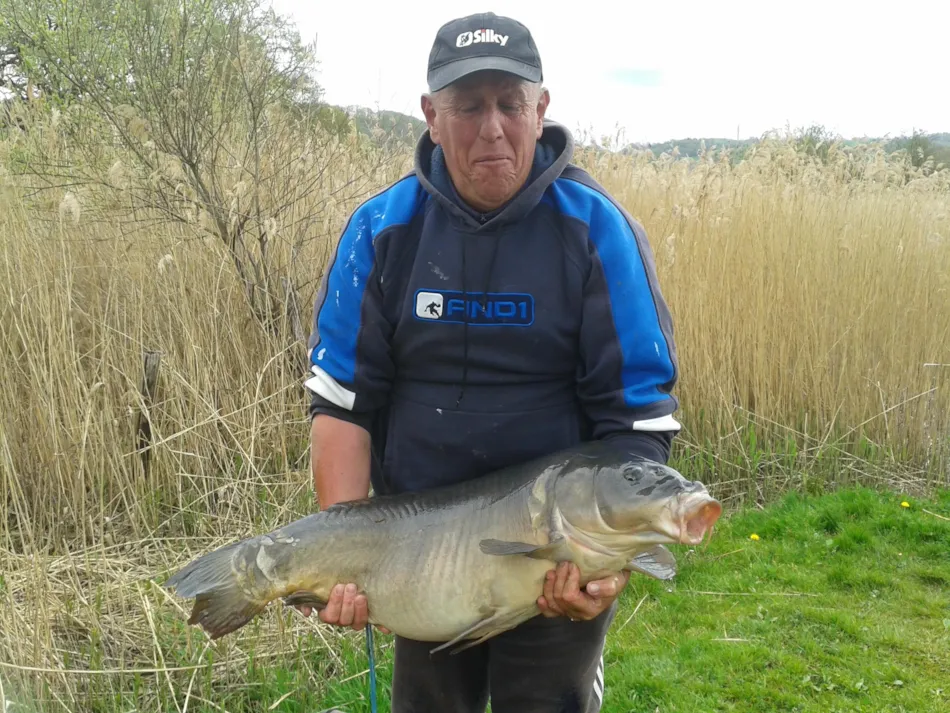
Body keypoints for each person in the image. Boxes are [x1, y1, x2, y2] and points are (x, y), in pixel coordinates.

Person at [298, 11, 680, 713]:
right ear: (430, 116)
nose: (493, 128)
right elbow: (343, 404)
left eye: (510, 103)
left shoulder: (599, 230)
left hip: (554, 550)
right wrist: (342, 546)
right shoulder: (381, 230)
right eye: (469, 107)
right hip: (420, 553)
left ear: (541, 108)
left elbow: (635, 423)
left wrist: (608, 564)